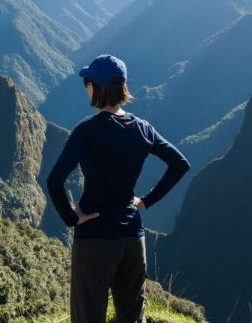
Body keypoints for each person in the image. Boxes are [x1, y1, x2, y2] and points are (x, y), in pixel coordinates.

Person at [46, 53, 191, 323]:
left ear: (96, 87)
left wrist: (72, 218)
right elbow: (179, 164)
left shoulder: (86, 132)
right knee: (133, 316)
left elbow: (55, 181)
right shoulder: (143, 129)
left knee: (88, 315)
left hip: (95, 237)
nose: (85, 87)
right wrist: (146, 202)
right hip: (133, 238)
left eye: (86, 82)